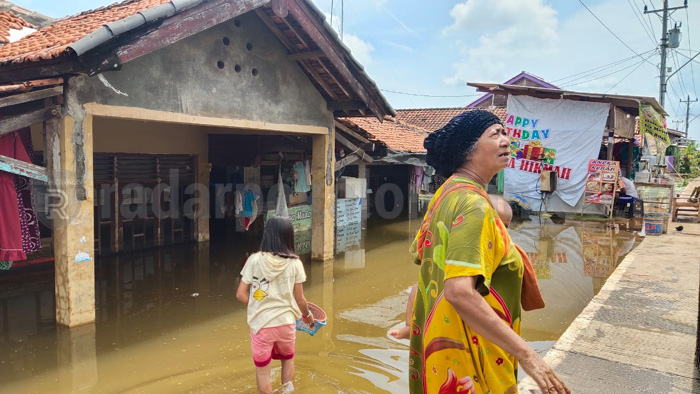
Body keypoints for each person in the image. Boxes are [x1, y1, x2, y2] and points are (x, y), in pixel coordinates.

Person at [407, 110, 569, 394]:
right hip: (468, 359)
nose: (506, 140)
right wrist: (528, 355)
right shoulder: (473, 206)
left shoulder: (446, 195)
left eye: (505, 133)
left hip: (440, 352)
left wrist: (412, 324)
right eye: (495, 134)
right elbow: (459, 291)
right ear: (468, 150)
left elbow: (425, 272)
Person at [389, 194, 513, 341]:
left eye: (505, 227)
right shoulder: (462, 240)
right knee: (420, 286)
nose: (501, 231)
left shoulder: (503, 249)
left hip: (477, 311)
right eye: (495, 224)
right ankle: (410, 327)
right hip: (449, 287)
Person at [236, 215, 315, 394]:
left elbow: (240, 294)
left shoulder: (254, 260)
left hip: (262, 325)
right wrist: (308, 317)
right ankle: (287, 391)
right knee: (288, 360)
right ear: (289, 236)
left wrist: (256, 305)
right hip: (287, 323)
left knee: (263, 373)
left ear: (267, 234)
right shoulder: (295, 263)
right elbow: (300, 299)